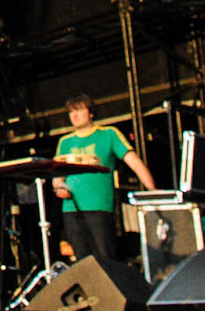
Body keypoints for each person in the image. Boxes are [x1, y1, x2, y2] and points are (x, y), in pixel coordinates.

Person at [53, 93, 154, 268]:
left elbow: (134, 162)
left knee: (105, 258)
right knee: (81, 260)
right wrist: (59, 187)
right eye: (71, 112)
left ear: (91, 112)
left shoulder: (108, 134)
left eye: (79, 110)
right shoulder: (65, 141)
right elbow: (57, 176)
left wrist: (154, 193)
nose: (74, 115)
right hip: (71, 209)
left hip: (99, 207)